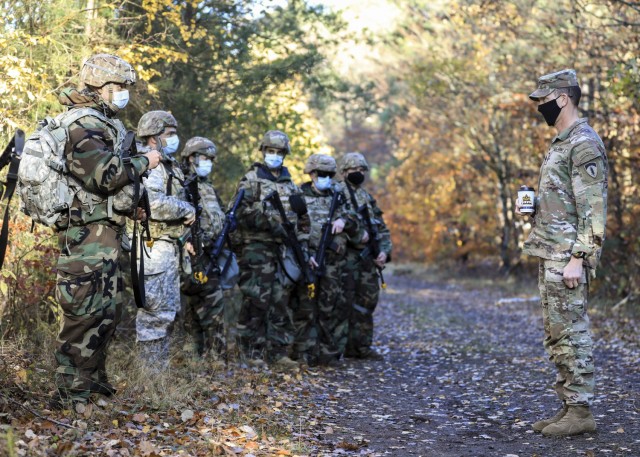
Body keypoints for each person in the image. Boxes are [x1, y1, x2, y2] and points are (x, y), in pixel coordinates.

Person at [50, 54, 161, 408]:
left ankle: (92, 383)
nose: (125, 93)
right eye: (121, 87)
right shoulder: (83, 123)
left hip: (103, 233)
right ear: (101, 86)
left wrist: (132, 205)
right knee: (84, 312)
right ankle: (70, 392)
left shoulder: (102, 122)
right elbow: (105, 174)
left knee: (106, 311)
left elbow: (105, 188)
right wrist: (146, 161)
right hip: (85, 237)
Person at [518, 69, 608, 437]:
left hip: (567, 257)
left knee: (572, 332)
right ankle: (569, 406)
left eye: (543, 99)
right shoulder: (562, 142)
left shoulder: (583, 143)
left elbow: (594, 207)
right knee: (557, 334)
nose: (539, 106)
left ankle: (582, 411)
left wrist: (579, 258)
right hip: (552, 251)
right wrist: (534, 207)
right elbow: (568, 201)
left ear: (563, 98)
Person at [233, 130, 305, 370]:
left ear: (284, 155)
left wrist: (298, 227)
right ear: (263, 152)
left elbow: (300, 217)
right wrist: (270, 221)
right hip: (256, 248)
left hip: (281, 250)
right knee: (256, 298)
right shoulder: (251, 179)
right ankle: (251, 351)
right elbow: (239, 213)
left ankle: (278, 352)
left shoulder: (290, 183)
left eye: (279, 152)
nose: (274, 156)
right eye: (270, 151)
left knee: (279, 299)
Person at [135, 111, 195, 370]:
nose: (174, 139)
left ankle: (157, 376)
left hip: (165, 247)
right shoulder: (147, 164)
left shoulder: (165, 164)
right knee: (153, 314)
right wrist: (186, 209)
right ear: (152, 138)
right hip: (152, 246)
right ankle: (149, 379)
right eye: (169, 135)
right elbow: (153, 204)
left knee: (165, 313)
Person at [291, 154, 362, 366]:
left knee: (330, 306)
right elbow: (294, 228)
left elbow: (355, 219)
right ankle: (304, 353)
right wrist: (306, 255)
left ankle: (328, 353)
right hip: (307, 259)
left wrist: (343, 220)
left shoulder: (338, 195)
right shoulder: (299, 196)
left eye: (330, 175)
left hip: (333, 261)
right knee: (305, 307)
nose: (326, 179)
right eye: (321, 174)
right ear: (311, 174)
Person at [339, 152, 392, 360]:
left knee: (367, 301)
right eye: (354, 170)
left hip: (368, 260)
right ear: (344, 172)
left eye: (362, 170)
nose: (359, 174)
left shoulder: (366, 197)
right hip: (346, 258)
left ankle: (361, 347)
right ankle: (338, 348)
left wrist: (384, 252)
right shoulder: (337, 193)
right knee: (343, 302)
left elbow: (382, 228)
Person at [179, 136, 227, 359]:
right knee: (194, 304)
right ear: (191, 158)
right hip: (190, 253)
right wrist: (186, 240)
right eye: (204, 157)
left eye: (210, 158)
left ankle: (213, 356)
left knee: (210, 303)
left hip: (211, 253)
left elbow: (218, 216)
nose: (208, 162)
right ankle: (195, 355)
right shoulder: (182, 182)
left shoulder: (208, 186)